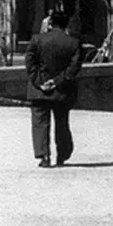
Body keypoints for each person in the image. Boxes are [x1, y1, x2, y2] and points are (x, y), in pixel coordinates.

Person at [25, 10, 83, 168]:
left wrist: (39, 82)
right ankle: (62, 155)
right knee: (62, 122)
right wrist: (56, 82)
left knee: (39, 123)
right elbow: (73, 68)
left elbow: (30, 63)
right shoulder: (73, 43)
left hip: (39, 90)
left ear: (50, 23)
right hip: (62, 90)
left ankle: (44, 155)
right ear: (66, 24)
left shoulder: (37, 40)